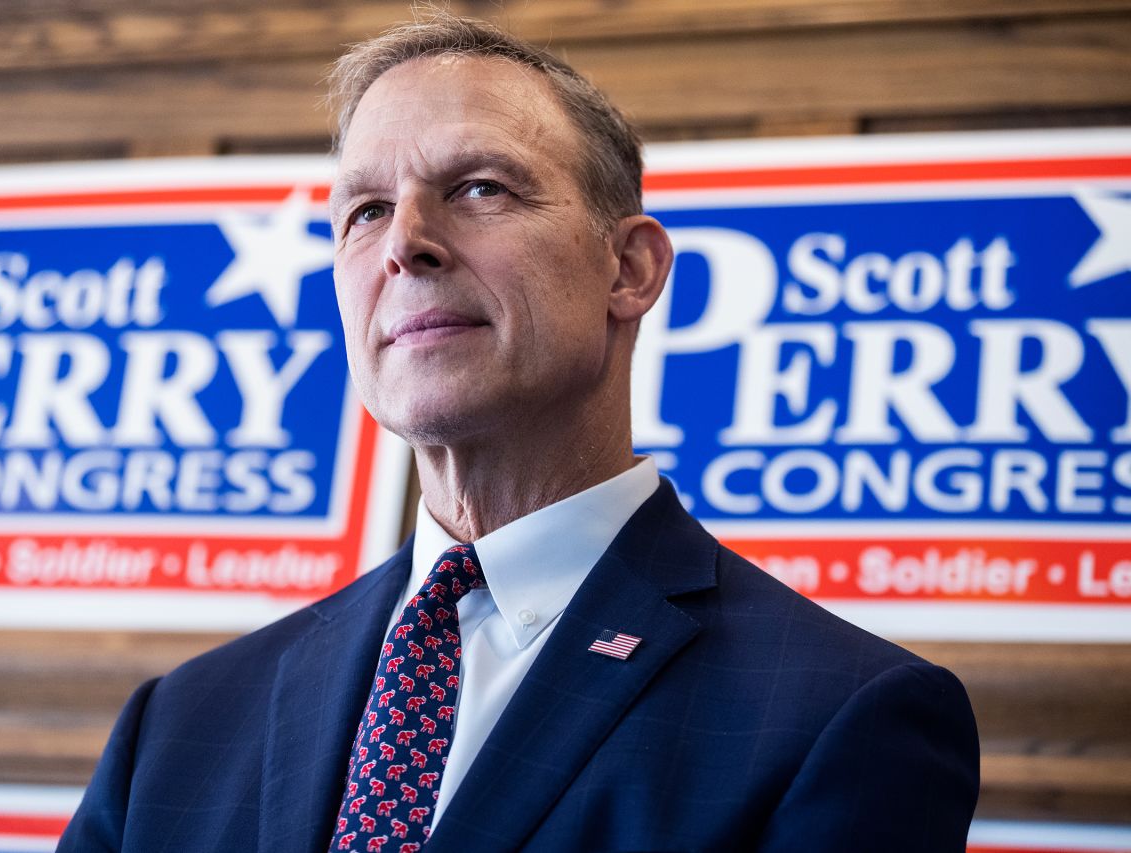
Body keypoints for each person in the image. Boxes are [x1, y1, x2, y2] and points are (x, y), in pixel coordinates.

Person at [58, 12, 979, 852]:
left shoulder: (841, 718)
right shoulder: (173, 725)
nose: (403, 242)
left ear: (629, 269)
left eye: (480, 188)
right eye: (366, 209)